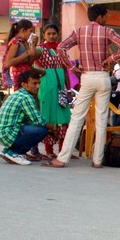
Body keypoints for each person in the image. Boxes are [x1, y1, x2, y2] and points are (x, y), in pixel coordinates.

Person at [44, 4, 120, 169]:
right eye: (106, 16)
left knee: (77, 118)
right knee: (102, 118)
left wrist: (72, 67)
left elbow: (61, 48)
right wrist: (110, 59)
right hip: (103, 77)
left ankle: (62, 158)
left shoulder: (79, 31)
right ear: (99, 17)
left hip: (87, 77)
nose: (107, 19)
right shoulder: (107, 31)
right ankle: (97, 160)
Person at [32, 24, 73, 159]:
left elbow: (66, 69)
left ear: (58, 34)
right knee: (48, 118)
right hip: (47, 88)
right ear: (44, 35)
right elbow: (31, 61)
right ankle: (49, 151)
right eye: (48, 33)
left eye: (53, 33)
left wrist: (68, 88)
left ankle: (63, 151)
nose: (51, 36)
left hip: (61, 89)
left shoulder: (61, 49)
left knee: (63, 119)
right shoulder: (40, 49)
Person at [0, 68, 49, 165]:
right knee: (42, 130)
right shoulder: (26, 97)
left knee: (37, 127)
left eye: (39, 83)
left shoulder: (18, 94)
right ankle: (15, 152)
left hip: (2, 133)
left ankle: (7, 151)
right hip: (8, 133)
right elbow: (38, 120)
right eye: (34, 83)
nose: (38, 86)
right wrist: (52, 127)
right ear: (24, 84)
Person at [3, 19, 38, 90]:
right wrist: (27, 53)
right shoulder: (15, 43)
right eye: (30, 31)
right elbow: (8, 62)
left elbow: (29, 62)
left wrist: (34, 45)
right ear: (23, 30)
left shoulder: (24, 42)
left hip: (26, 75)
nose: (32, 34)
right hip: (19, 76)